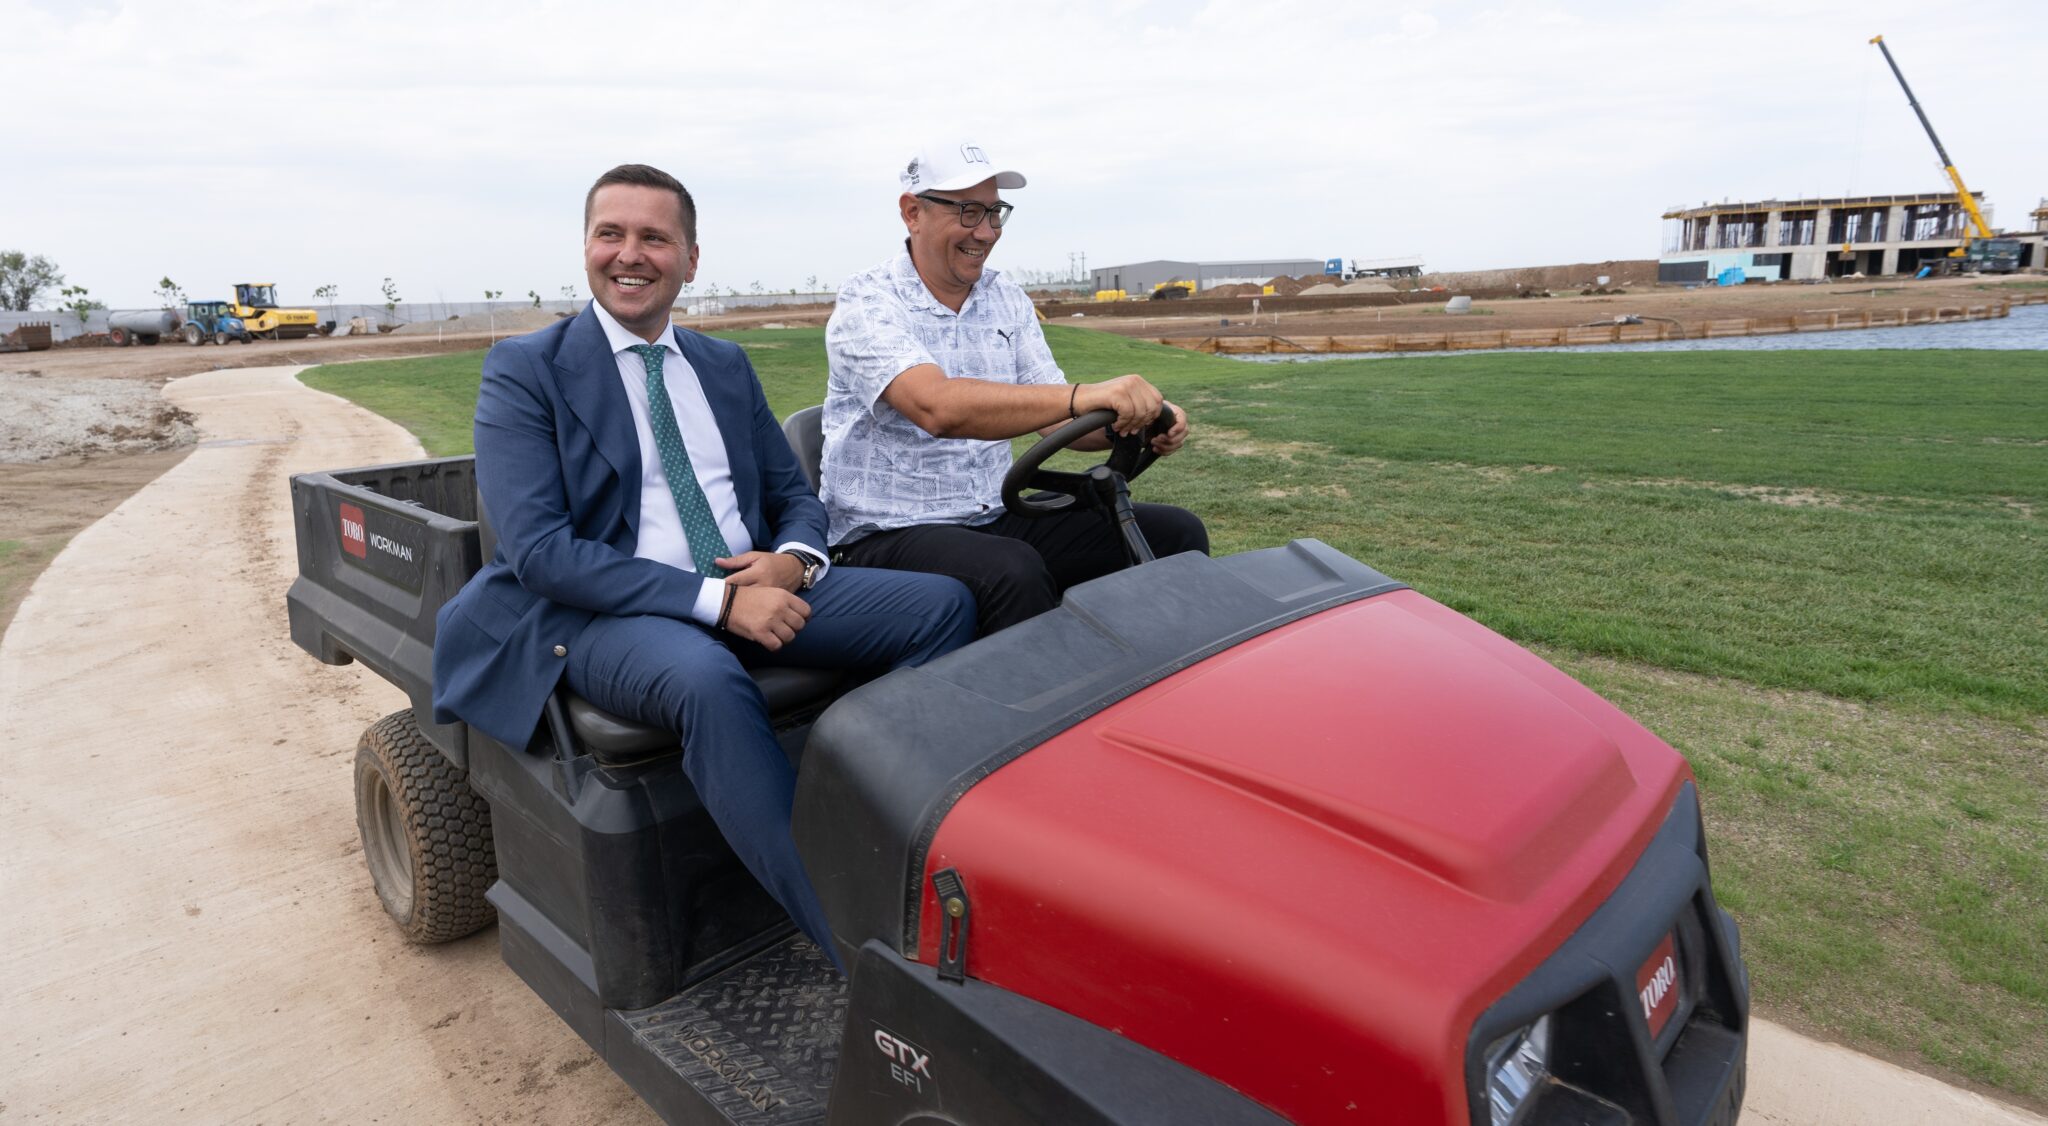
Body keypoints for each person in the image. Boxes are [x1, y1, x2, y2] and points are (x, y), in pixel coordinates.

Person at [432, 163, 976, 962]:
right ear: (586, 248)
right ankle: (855, 947)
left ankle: (880, 827)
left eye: (655, 238)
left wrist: (792, 563)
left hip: (749, 583)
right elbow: (543, 553)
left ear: (690, 260)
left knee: (944, 607)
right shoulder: (527, 369)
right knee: (706, 680)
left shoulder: (722, 366)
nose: (630, 253)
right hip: (604, 612)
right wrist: (719, 603)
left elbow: (794, 495)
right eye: (611, 234)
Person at [821, 139, 1208, 635]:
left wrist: (1135, 421)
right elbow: (936, 407)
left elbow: (1057, 417)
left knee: (1176, 534)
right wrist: (1085, 395)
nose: (985, 232)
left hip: (992, 514)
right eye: (968, 211)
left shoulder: (1005, 297)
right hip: (887, 530)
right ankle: (1044, 686)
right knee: (1011, 571)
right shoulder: (868, 301)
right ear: (913, 212)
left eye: (994, 212)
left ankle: (1153, 669)